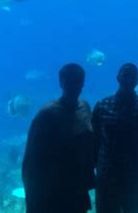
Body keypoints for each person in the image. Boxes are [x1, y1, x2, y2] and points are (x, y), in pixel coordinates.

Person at [22, 64, 95, 213]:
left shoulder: (85, 107)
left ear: (83, 83)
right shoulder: (47, 114)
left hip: (77, 188)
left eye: (78, 81)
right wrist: (32, 200)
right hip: (51, 192)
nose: (75, 86)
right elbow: (30, 161)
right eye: (70, 81)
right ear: (62, 83)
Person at [92, 63, 138, 213]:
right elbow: (93, 145)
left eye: (132, 75)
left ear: (137, 81)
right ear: (118, 77)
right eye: (125, 74)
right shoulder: (102, 106)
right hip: (106, 180)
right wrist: (92, 175)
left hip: (136, 181)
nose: (128, 78)